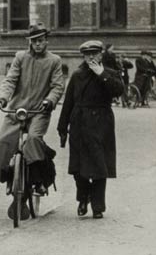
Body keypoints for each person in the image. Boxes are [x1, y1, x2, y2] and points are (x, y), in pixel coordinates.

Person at [0, 23, 65, 201]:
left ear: (46, 41)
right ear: (30, 43)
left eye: (41, 41)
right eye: (34, 41)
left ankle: (38, 179)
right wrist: (3, 98)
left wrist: (49, 101)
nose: (38, 44)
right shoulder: (20, 57)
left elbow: (57, 86)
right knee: (2, 141)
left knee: (33, 139)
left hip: (40, 110)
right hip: (18, 109)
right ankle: (9, 174)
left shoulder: (54, 61)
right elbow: (10, 80)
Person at [57, 40, 124, 219]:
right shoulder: (78, 75)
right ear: (84, 56)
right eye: (87, 54)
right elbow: (69, 102)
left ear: (101, 55)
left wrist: (101, 74)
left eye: (94, 53)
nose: (91, 57)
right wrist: (62, 127)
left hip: (102, 124)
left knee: (100, 166)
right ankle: (83, 198)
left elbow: (119, 91)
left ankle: (98, 206)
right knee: (78, 168)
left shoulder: (110, 73)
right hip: (79, 122)